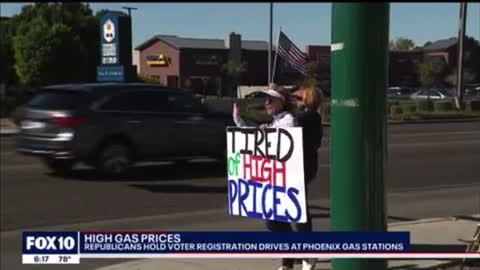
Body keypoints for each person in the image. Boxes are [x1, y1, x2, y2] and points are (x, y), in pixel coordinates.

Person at [265, 85, 323, 270]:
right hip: (289, 171)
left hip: (297, 170)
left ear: (307, 101)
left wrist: (279, 110)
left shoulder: (306, 118)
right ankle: (292, 260)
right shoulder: (301, 118)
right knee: (281, 215)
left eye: (297, 99)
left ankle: (304, 254)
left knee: (295, 215)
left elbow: (288, 124)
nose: (294, 101)